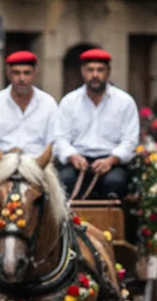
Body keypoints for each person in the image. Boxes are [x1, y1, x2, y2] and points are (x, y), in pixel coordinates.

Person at [55, 49, 140, 199]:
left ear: (108, 72)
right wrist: (73, 156)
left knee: (116, 183)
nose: (95, 75)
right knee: (64, 181)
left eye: (100, 70)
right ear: (83, 71)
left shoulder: (125, 102)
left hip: (112, 162)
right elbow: (60, 138)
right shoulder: (69, 102)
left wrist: (111, 160)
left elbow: (130, 140)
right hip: (77, 162)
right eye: (90, 70)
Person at [0, 50, 61, 159]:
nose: (22, 79)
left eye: (27, 73)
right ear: (8, 74)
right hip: (1, 163)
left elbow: (55, 139)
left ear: (35, 73)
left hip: (37, 165)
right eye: (16, 73)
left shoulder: (48, 103)